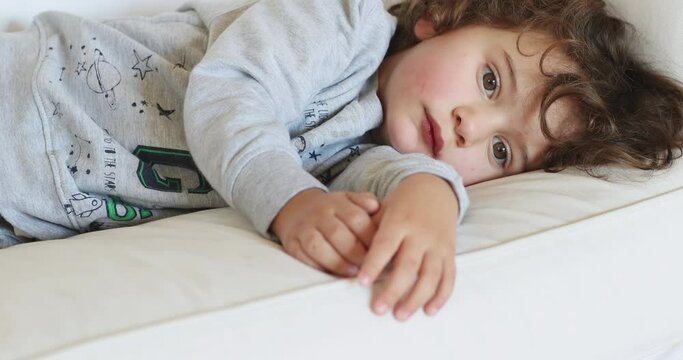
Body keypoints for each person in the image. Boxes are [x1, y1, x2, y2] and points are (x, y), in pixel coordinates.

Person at [0, 0, 682, 322]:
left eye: (501, 152)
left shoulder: (355, 153)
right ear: (442, 17)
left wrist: (432, 197)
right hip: (21, 98)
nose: (469, 126)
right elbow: (231, 95)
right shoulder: (338, 24)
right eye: (488, 81)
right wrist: (289, 203)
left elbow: (382, 175)